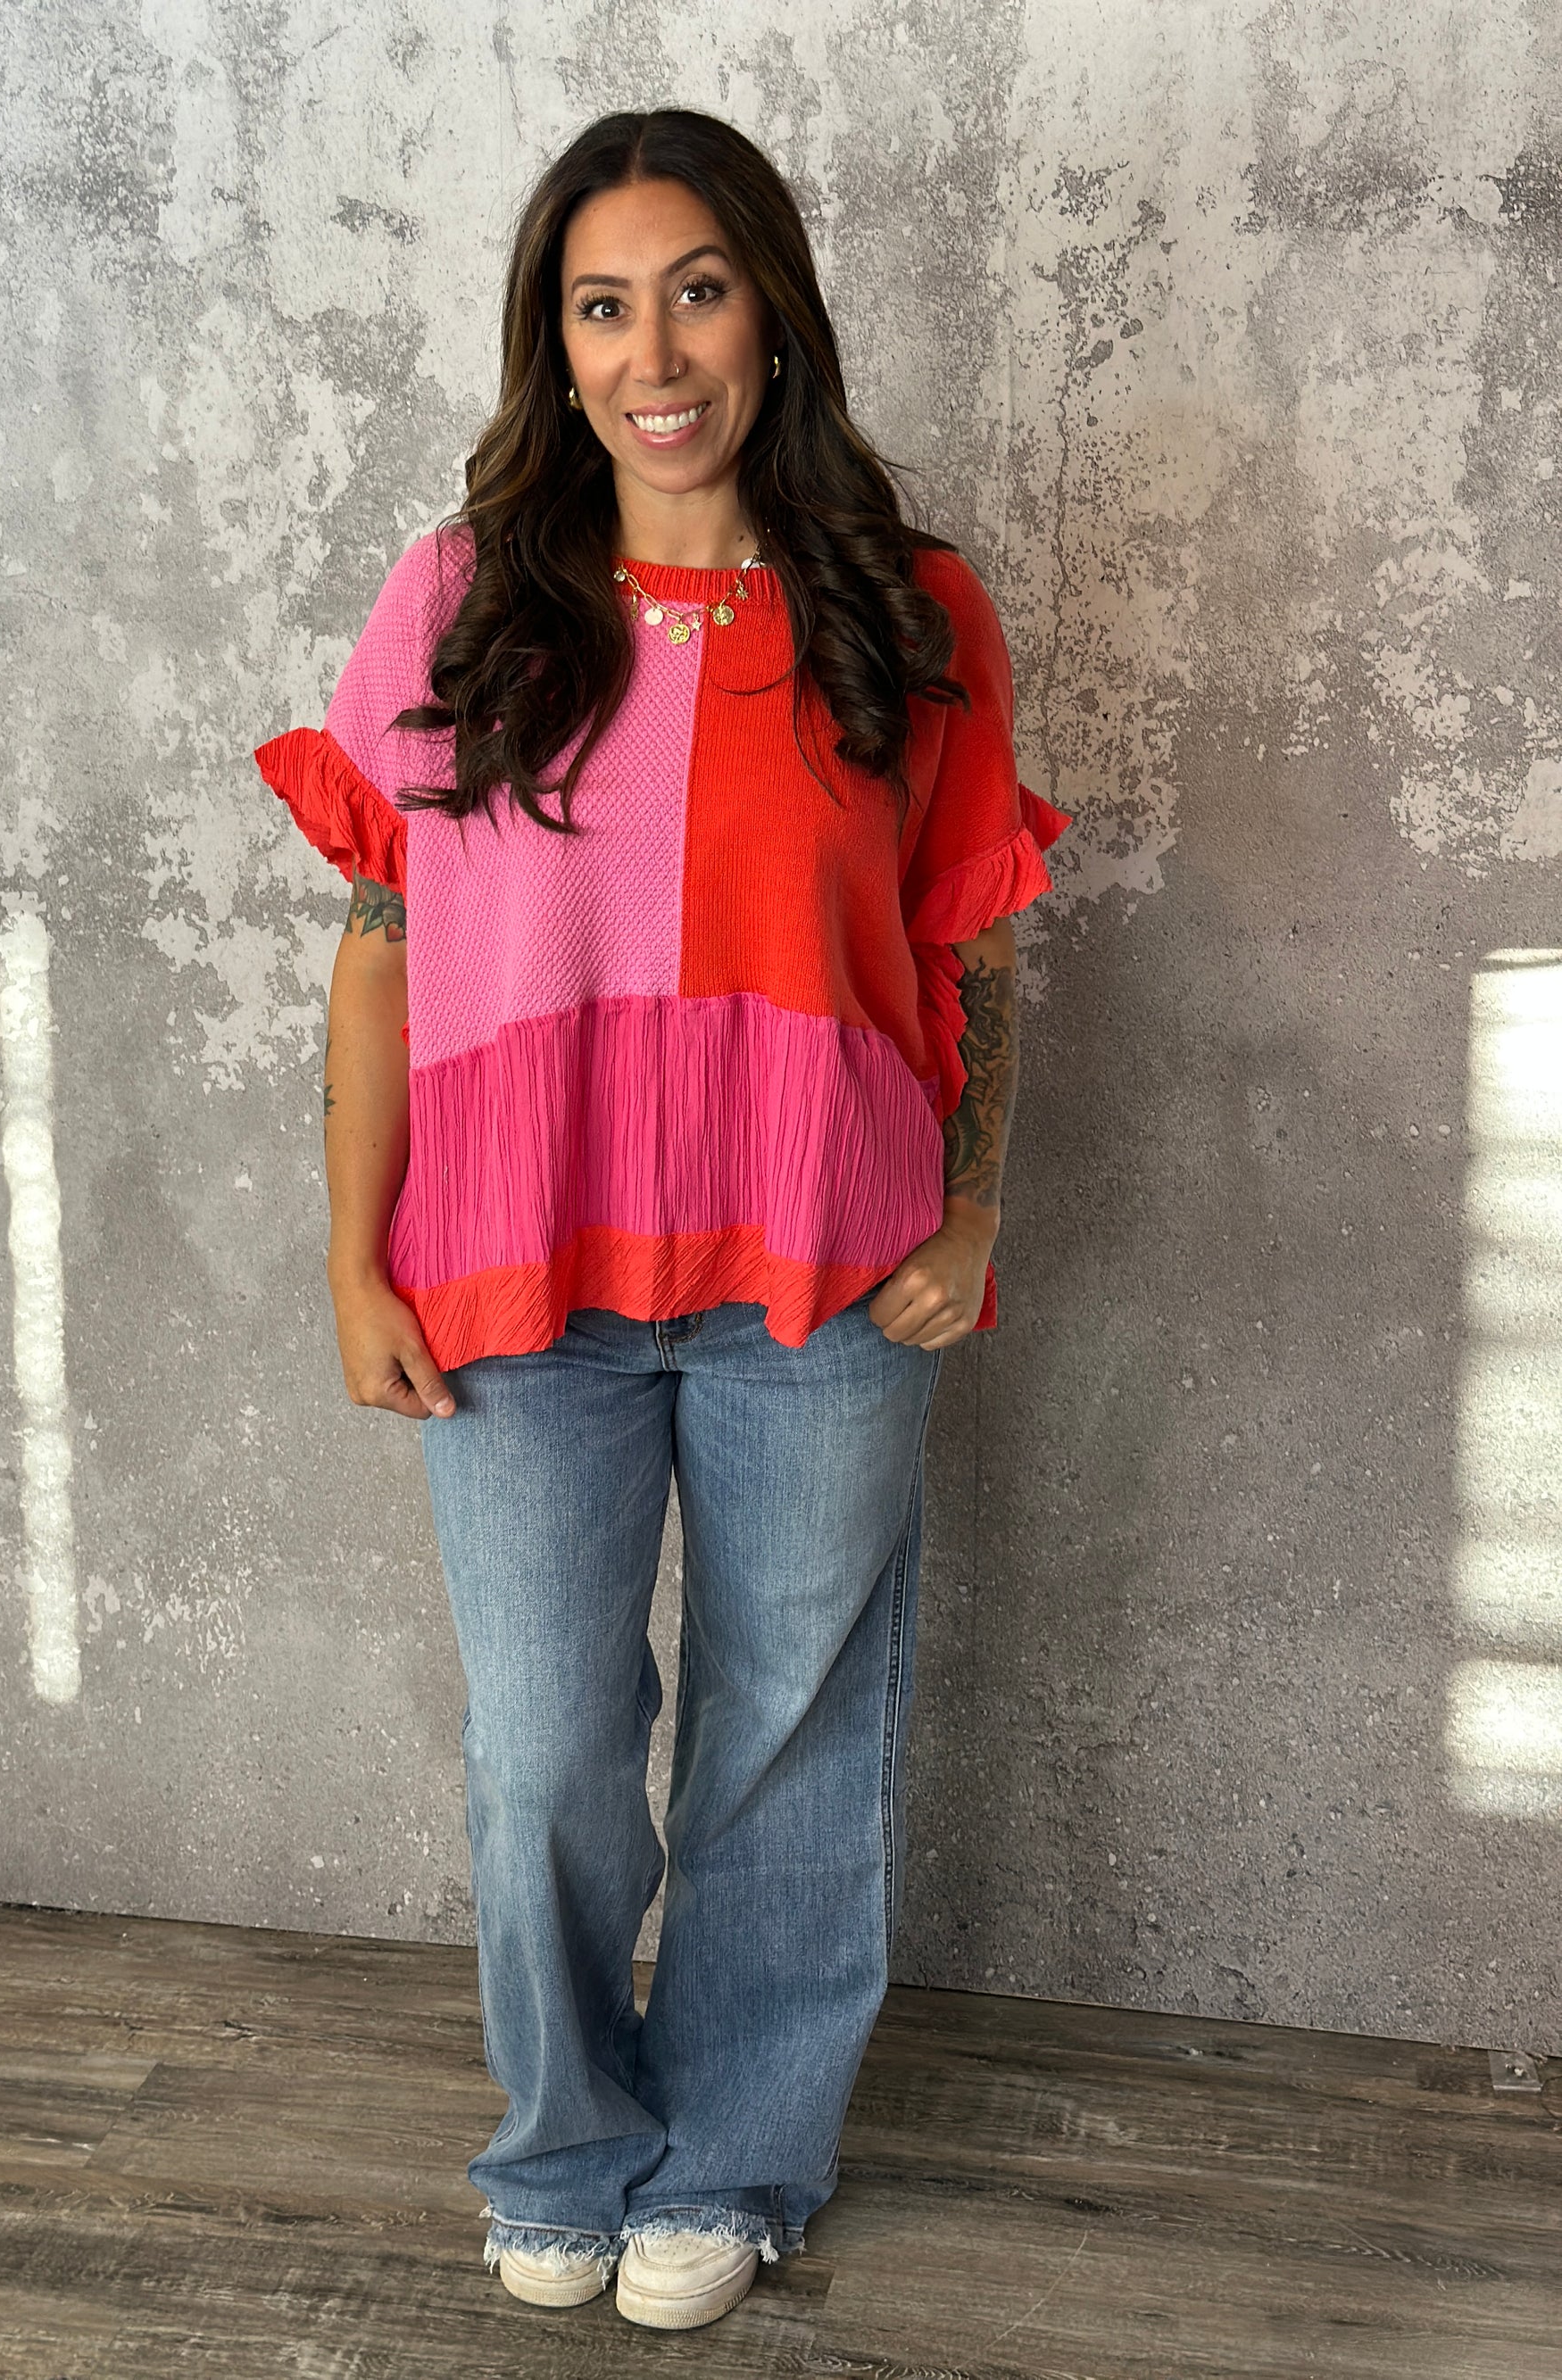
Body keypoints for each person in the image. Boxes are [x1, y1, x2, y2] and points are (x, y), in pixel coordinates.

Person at [253, 106, 1066, 2334]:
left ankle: (735, 2154)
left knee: (785, 1738)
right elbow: (379, 945)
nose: (653, 351)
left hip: (825, 1272)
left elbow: (974, 943)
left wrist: (972, 1207)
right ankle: (564, 2146)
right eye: (600, 306)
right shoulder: (459, 597)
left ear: (770, 313)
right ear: (557, 343)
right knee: (543, 1747)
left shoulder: (908, 611)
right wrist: (352, 1255)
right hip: (519, 1277)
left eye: (694, 290)